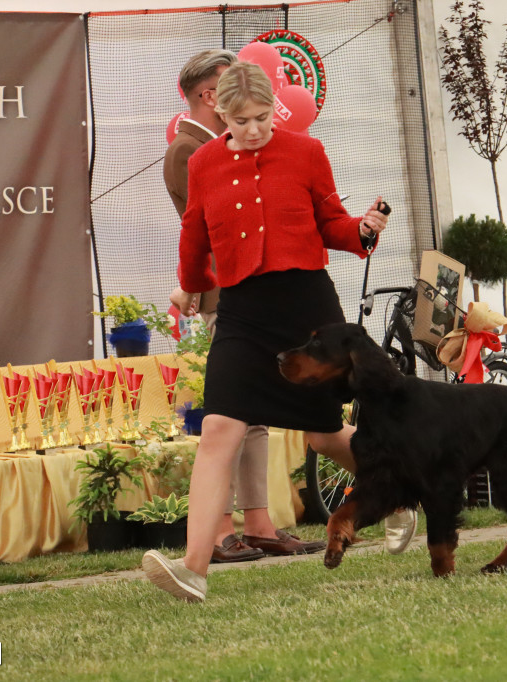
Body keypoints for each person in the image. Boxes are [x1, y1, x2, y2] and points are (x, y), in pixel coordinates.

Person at [143, 61, 406, 602]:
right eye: (242, 121)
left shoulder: (306, 152)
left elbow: (330, 222)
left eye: (263, 117)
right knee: (219, 427)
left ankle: (399, 492)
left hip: (307, 305)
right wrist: (190, 286)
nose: (256, 129)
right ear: (220, 112)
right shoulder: (204, 163)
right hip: (242, 311)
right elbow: (194, 236)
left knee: (324, 433)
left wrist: (360, 229)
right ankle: (193, 571)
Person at [164, 48, 313, 563]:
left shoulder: (233, 146)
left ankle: (257, 522)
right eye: (233, 91)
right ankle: (225, 529)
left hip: (258, 293)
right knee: (231, 416)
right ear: (212, 97)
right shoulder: (192, 151)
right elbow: (204, 231)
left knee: (252, 419)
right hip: (231, 294)